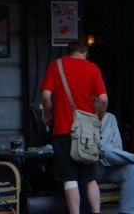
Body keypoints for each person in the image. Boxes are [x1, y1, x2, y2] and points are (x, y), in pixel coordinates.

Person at [40, 39, 108, 214]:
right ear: (84, 53)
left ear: (69, 52)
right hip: (87, 132)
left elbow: (46, 95)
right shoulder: (92, 68)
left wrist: (48, 114)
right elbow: (103, 99)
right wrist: (99, 118)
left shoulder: (56, 66)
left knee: (69, 179)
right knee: (90, 178)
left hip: (62, 129)